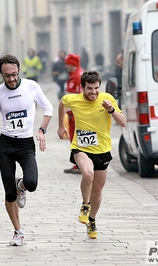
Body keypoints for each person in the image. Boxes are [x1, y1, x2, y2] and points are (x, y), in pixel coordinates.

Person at [0, 54, 53, 246]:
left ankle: (21, 186)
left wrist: (42, 130)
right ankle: (18, 231)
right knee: (9, 194)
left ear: (19, 71)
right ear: (1, 74)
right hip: (6, 145)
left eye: (14, 74)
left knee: (32, 183)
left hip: (25, 145)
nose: (11, 79)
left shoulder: (31, 87)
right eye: (7, 76)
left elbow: (48, 108)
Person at [57, 70, 126, 239]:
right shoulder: (74, 99)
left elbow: (123, 122)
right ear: (82, 88)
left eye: (96, 88)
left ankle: (92, 220)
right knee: (88, 173)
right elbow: (62, 102)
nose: (93, 92)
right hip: (81, 147)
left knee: (97, 191)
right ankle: (85, 205)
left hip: (102, 150)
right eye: (89, 88)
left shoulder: (107, 99)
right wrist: (61, 126)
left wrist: (111, 111)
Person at [63, 53, 84, 174]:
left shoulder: (79, 76)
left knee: (78, 140)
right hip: (71, 114)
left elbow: (80, 97)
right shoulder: (73, 75)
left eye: (67, 63)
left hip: (76, 115)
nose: (66, 66)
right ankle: (76, 164)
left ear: (72, 64)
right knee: (73, 140)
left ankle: (80, 165)